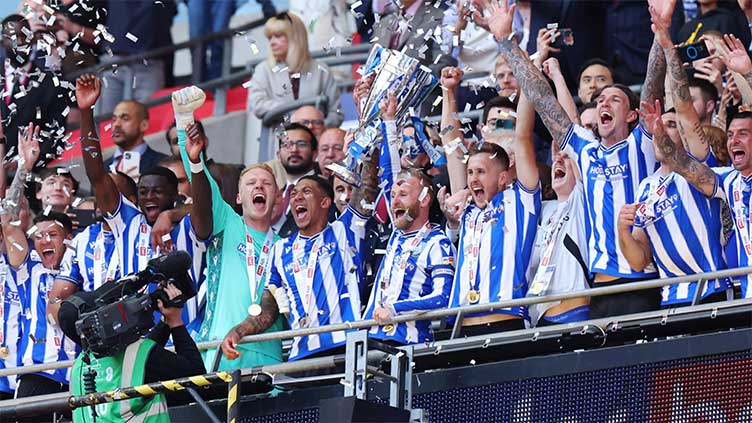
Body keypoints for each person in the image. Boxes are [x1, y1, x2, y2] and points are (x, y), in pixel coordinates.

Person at [483, 0, 672, 318]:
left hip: (642, 283)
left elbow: (652, 88)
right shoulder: (585, 149)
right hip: (598, 289)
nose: (603, 103)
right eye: (600, 100)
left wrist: (661, 32)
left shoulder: (641, 143)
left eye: (614, 99)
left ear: (633, 114)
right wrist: (507, 41)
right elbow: (543, 99)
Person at [75, 74, 208, 333]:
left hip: (184, 339)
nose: (149, 197)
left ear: (175, 196)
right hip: (135, 343)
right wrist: (86, 112)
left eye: (158, 192)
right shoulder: (128, 223)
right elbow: (97, 176)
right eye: (143, 192)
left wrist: (195, 162)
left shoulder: (190, 227)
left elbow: (205, 204)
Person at [221, 150, 380, 362]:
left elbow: (368, 188)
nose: (297, 197)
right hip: (301, 354)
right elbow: (269, 309)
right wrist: (239, 331)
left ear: (325, 203)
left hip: (345, 348)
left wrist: (371, 145)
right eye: (294, 193)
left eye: (306, 192)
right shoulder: (281, 249)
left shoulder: (347, 230)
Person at [170, 85, 284, 372]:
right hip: (219, 352)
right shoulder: (228, 223)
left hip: (269, 357)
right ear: (237, 197)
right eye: (251, 183)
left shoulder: (287, 246)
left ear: (277, 197)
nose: (259, 186)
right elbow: (204, 185)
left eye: (266, 183)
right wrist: (186, 133)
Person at [439, 66, 540, 336]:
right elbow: (450, 143)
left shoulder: (522, 194)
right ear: (483, 129)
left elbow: (523, 138)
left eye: (509, 124)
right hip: (464, 320)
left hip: (509, 313)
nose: (502, 131)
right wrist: (448, 92)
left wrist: (529, 72)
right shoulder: (469, 197)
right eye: (496, 124)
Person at [654, 33, 752, 300]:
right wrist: (668, 51)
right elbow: (683, 160)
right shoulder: (730, 181)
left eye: (743, 133)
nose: (734, 141)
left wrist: (747, 73)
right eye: (730, 135)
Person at [1, 125, 77, 400]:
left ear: (68, 239)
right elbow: (8, 221)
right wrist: (23, 168)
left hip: (78, 375)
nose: (45, 241)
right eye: (40, 236)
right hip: (36, 374)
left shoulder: (82, 269)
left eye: (53, 235)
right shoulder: (28, 270)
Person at [60, 282, 205, 423]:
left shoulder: (78, 367)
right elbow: (198, 379)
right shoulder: (140, 355)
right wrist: (175, 322)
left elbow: (143, 358)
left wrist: (165, 322)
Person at [363, 168, 455, 345]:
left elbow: (443, 298)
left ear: (424, 199)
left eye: (403, 194)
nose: (395, 201)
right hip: (372, 340)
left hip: (409, 344)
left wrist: (394, 309)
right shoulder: (394, 239)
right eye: (392, 195)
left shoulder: (437, 243)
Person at [47, 172, 138, 326]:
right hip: (98, 340)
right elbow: (54, 303)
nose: (99, 196)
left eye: (107, 190)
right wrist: (90, 330)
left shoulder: (146, 232)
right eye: (97, 190)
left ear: (130, 201)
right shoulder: (81, 240)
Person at [526, 152, 590, 327]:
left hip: (573, 311)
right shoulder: (546, 210)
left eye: (566, 158)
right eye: (555, 159)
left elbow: (582, 154)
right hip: (541, 316)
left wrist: (571, 147)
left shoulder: (582, 200)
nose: (558, 161)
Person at [247, 12, 342, 129]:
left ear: (295, 36)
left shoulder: (321, 70)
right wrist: (296, 115)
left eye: (278, 36)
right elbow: (257, 105)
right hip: (280, 144)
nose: (272, 42)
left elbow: (337, 113)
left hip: (315, 144)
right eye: (270, 37)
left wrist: (316, 127)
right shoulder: (263, 70)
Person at [1, 14, 71, 168]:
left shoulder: (51, 84)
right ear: (2, 41)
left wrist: (27, 163)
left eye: (24, 36)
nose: (19, 42)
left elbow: (56, 135)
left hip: (28, 177)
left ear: (33, 39)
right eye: (12, 37)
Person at [98, 0, 177, 115]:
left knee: (148, 120)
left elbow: (166, 15)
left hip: (148, 63)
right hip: (114, 61)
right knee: (108, 123)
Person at [271, 123, 320, 238]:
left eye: (301, 144)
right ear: (278, 155)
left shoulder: (323, 190)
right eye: (287, 145)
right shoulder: (276, 195)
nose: (294, 150)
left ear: (315, 154)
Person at [103, 100, 168, 180]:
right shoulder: (101, 168)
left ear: (144, 125)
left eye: (125, 118)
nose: (116, 124)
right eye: (114, 119)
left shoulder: (162, 164)